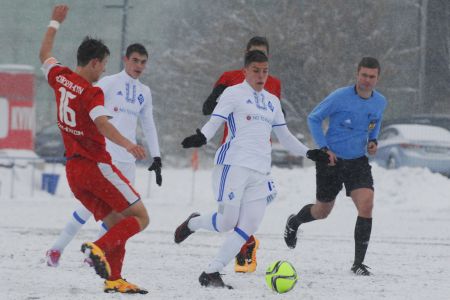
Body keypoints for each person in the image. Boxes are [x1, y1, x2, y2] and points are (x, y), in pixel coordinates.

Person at [174, 50, 329, 289]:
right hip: (234, 164)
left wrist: (309, 152)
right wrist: (202, 137)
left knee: (249, 225)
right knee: (227, 222)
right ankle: (193, 223)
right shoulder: (233, 93)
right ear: (245, 71)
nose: (261, 75)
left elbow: (285, 136)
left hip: (260, 171)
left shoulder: (272, 101)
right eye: (256, 70)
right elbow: (215, 120)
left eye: (265, 71)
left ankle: (211, 271)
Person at [40, 5, 149, 294]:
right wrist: (128, 144)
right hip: (96, 166)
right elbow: (102, 123)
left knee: (117, 223)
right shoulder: (91, 92)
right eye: (102, 65)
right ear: (93, 63)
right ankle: (97, 248)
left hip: (74, 172)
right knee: (141, 218)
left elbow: (44, 55)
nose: (103, 70)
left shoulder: (60, 77)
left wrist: (55, 22)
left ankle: (114, 279)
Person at [45, 42, 162, 271]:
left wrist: (156, 157)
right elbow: (92, 115)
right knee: (88, 210)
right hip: (105, 158)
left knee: (118, 216)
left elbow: (149, 125)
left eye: (143, 62)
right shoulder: (107, 83)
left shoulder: (144, 93)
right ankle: (57, 248)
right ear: (125, 60)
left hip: (128, 162)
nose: (139, 65)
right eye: (135, 60)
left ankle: (98, 255)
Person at [283, 57, 387, 276]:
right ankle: (295, 221)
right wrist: (323, 148)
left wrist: (373, 140)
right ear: (357, 74)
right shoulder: (340, 97)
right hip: (332, 161)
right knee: (322, 211)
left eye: (372, 76)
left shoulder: (380, 102)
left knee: (367, 204)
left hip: (358, 161)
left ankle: (358, 263)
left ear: (378, 78)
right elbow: (314, 118)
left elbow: (376, 121)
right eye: (364, 75)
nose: (367, 80)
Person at [202, 36, 282, 273]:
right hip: (234, 154)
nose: (260, 71)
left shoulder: (273, 83)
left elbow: (279, 114)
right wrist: (226, 99)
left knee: (250, 216)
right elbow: (208, 108)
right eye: (254, 54)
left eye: (263, 55)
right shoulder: (230, 79)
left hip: (260, 156)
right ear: (245, 58)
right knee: (229, 218)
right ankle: (235, 248)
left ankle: (241, 252)